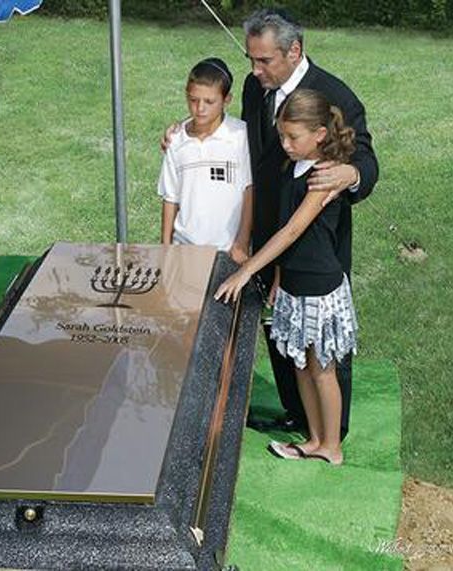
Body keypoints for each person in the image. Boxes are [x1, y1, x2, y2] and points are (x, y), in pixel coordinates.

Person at [162, 8, 378, 439]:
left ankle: (333, 429)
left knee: (319, 340)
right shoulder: (254, 86)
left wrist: (351, 173)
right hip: (264, 231)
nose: (255, 70)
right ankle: (297, 412)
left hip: (315, 243)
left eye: (264, 61)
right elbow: (238, 136)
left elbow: (367, 160)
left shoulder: (335, 94)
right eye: (251, 60)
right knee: (280, 328)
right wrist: (183, 130)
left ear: (294, 51)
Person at [215, 88, 359, 465]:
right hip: (293, 283)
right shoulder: (290, 167)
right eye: (281, 136)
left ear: (320, 135)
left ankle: (332, 446)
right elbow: (283, 224)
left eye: (293, 137)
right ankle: (314, 438)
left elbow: (292, 231)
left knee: (322, 368)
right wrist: (279, 276)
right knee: (301, 365)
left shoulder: (323, 176)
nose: (285, 144)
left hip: (318, 285)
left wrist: (247, 271)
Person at [158, 58, 252, 262]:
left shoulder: (240, 135)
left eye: (209, 102)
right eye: (193, 100)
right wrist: (165, 248)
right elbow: (170, 197)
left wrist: (242, 242)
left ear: (227, 100)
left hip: (227, 250)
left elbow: (249, 190)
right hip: (184, 249)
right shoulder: (176, 140)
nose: (200, 108)